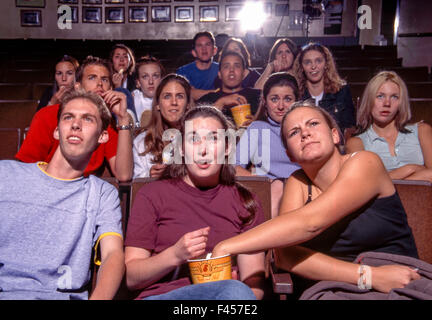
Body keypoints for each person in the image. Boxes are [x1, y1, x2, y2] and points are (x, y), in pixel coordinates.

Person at [212, 101, 421, 299]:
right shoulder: (298, 182)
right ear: (290, 155)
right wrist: (368, 277)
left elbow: (310, 223)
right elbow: (285, 255)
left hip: (398, 278)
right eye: (294, 132)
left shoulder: (365, 162)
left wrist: (225, 247)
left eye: (313, 123)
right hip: (339, 285)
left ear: (335, 136)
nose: (305, 133)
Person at [125, 105, 266, 300]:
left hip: (222, 300)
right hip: (164, 297)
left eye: (213, 139)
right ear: (181, 149)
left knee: (236, 291)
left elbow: (254, 288)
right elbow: (132, 277)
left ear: (227, 148)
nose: (203, 149)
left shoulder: (245, 202)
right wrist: (175, 255)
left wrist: (235, 287)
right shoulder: (152, 195)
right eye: (193, 139)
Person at [0, 89, 124, 300]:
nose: (76, 124)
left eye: (87, 119)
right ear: (57, 131)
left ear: (102, 136)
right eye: (68, 117)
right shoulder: (6, 174)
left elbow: (113, 255)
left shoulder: (102, 194)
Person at [16, 56, 133, 182]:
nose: (99, 84)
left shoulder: (107, 123)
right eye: (92, 78)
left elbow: (124, 175)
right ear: (78, 86)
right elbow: (26, 168)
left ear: (110, 89)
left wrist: (123, 118)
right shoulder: (47, 115)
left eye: (104, 79)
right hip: (46, 184)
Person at [346, 71, 432, 182]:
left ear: (401, 102)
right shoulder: (356, 143)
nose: (387, 103)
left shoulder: (422, 131)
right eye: (380, 96)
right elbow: (365, 183)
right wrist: (409, 169)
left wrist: (386, 179)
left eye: (394, 97)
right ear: (369, 100)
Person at [235, 72, 301, 218]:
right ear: (265, 101)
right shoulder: (258, 128)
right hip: (268, 192)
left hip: (301, 191)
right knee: (277, 187)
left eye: (288, 99)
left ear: (297, 101)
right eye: (274, 99)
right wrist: (267, 183)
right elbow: (234, 167)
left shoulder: (304, 128)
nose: (281, 106)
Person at [132, 74, 192, 179]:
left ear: (187, 104)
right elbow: (136, 185)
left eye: (180, 96)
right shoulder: (142, 141)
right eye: (167, 96)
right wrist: (149, 176)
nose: (174, 102)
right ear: (158, 104)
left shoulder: (200, 137)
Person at [293, 42, 355, 140]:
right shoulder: (295, 94)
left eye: (318, 61)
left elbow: (350, 127)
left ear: (326, 64)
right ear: (302, 67)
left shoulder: (342, 91)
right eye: (308, 62)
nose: (313, 66)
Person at [196, 51, 261, 127]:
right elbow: (197, 126)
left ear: (243, 73)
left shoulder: (258, 96)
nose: (231, 70)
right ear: (219, 74)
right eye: (226, 66)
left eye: (237, 66)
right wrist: (221, 103)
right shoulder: (207, 99)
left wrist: (259, 123)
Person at [176, 31, 219, 101]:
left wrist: (196, 92)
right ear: (194, 52)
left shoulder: (221, 69)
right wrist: (215, 92)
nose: (204, 49)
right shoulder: (183, 71)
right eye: (199, 45)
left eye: (207, 44)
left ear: (214, 50)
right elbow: (185, 94)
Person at [132, 55, 165, 128]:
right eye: (145, 76)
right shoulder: (133, 99)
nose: (151, 81)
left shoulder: (169, 100)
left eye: (155, 76)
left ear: (161, 80)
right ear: (138, 83)